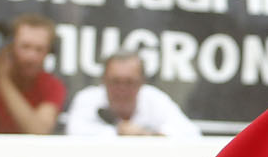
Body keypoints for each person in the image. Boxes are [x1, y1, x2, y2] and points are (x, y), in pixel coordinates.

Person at [66, 52, 200, 139]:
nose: (122, 89)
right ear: (103, 81)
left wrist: (148, 135)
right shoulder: (87, 98)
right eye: (115, 82)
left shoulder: (154, 98)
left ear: (142, 82)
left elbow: (191, 133)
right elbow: (74, 132)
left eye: (129, 82)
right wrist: (119, 133)